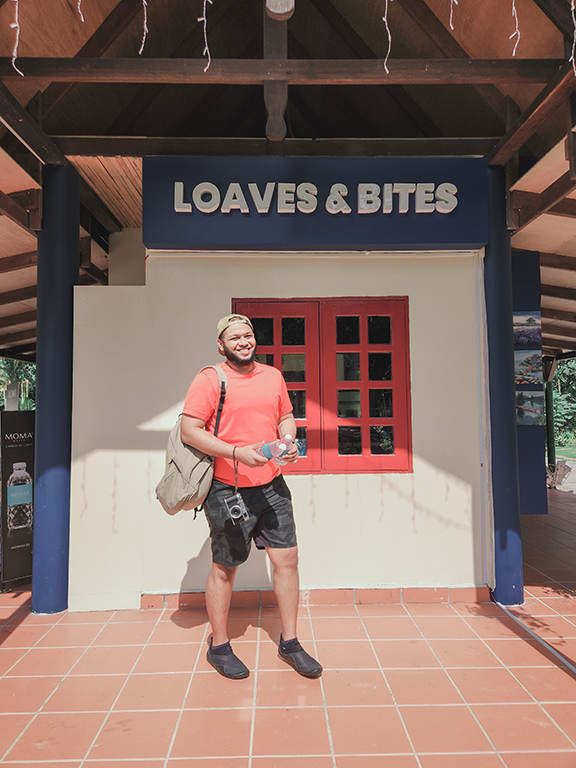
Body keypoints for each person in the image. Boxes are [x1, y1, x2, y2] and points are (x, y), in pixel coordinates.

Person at [181, 313, 322, 681]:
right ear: (221, 344)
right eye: (234, 337)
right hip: (227, 487)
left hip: (271, 484)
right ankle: (220, 646)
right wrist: (234, 452)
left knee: (287, 560)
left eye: (248, 335)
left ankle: (290, 642)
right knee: (226, 568)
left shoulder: (273, 376)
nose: (243, 341)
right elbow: (189, 431)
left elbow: (286, 417)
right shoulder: (211, 379)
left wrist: (289, 443)